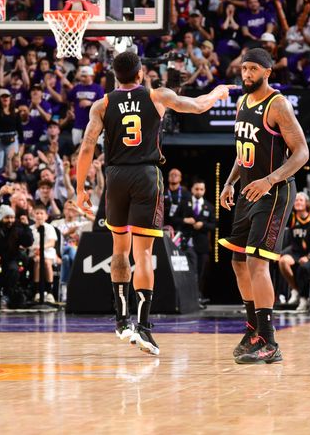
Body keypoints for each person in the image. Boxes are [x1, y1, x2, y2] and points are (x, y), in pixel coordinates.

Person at [76, 50, 229, 356]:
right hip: (146, 175)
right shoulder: (157, 95)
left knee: (119, 251)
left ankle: (122, 321)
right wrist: (217, 92)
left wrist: (80, 187)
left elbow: (87, 146)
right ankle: (144, 327)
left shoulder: (102, 104)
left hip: (116, 176)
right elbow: (198, 106)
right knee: (143, 253)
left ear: (116, 76)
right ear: (141, 73)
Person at [219, 47, 308, 364]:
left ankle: (269, 341)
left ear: (268, 72)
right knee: (238, 261)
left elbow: (301, 153)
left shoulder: (277, 104)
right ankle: (253, 328)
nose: (246, 74)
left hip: (275, 191)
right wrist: (230, 182)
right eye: (244, 69)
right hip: (248, 191)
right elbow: (242, 152)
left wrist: (269, 180)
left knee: (258, 263)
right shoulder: (242, 102)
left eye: (253, 69)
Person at [182, 179, 216, 303]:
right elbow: (174, 219)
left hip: (202, 244)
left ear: (204, 190)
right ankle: (187, 297)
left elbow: (214, 225)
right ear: (192, 189)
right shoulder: (184, 203)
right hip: (186, 243)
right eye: (196, 189)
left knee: (201, 271)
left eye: (201, 189)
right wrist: (185, 221)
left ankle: (198, 296)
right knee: (188, 270)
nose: (199, 191)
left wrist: (203, 224)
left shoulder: (210, 206)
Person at [29, 204, 60, 304]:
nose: (39, 215)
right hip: (34, 253)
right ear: (33, 215)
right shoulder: (30, 229)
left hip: (47, 253)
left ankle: (50, 292)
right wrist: (35, 250)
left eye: (41, 213)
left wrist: (41, 248)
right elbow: (28, 244)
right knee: (38, 262)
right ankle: (38, 291)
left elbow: (52, 242)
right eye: (37, 213)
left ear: (46, 216)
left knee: (46, 262)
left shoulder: (50, 228)